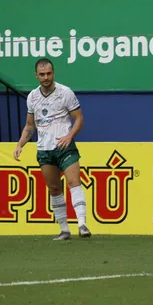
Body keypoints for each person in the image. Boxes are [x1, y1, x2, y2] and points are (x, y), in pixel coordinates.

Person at [14, 58, 91, 241]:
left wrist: (69, 136)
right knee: (54, 188)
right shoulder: (32, 97)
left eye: (49, 73)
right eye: (42, 74)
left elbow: (79, 118)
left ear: (53, 73)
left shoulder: (65, 93)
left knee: (74, 182)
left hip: (65, 147)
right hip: (45, 150)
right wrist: (20, 144)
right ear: (36, 75)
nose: (46, 77)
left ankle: (82, 224)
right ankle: (64, 230)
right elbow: (29, 126)